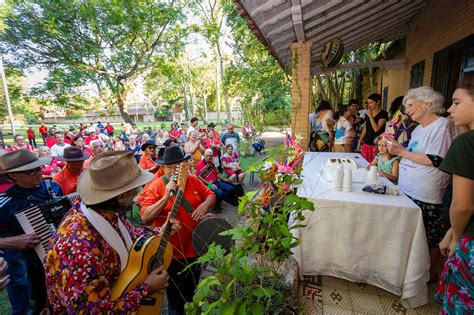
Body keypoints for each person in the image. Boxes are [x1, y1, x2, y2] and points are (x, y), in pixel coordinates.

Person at [45, 151, 179, 313]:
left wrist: (160, 232)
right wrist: (145, 288)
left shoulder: (105, 209)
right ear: (121, 195)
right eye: (134, 189)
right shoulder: (78, 245)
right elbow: (89, 311)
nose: (137, 194)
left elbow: (127, 235)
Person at [139, 145, 215, 314]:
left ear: (184, 165)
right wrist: (166, 196)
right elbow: (145, 217)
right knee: (175, 299)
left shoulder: (193, 179)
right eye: (169, 167)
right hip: (170, 254)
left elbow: (210, 194)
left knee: (193, 291)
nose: (173, 170)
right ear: (162, 167)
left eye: (177, 166)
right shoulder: (156, 186)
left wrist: (204, 205)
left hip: (194, 249)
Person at [387, 86, 451, 281]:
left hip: (426, 193)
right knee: (413, 233)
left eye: (411, 105)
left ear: (427, 103)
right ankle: (413, 268)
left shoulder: (442, 126)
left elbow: (436, 160)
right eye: (406, 106)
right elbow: (413, 154)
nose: (407, 110)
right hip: (408, 189)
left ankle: (428, 274)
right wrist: (398, 150)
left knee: (429, 236)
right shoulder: (418, 130)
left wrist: (401, 152)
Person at [0, 150, 63, 314]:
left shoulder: (53, 187)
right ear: (13, 175)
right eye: (30, 171)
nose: (38, 173)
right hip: (28, 260)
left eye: (39, 168)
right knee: (32, 291)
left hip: (60, 252)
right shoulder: (6, 202)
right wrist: (10, 241)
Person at [435, 77, 474, 314]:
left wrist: (456, 236)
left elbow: (463, 206)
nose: (450, 109)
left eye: (456, 102)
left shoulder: (466, 144)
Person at [357, 93, 389, 162]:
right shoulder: (368, 113)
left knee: (375, 167)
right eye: (368, 103)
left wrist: (370, 116)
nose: (369, 105)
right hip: (366, 143)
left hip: (377, 145)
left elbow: (376, 129)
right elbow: (365, 128)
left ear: (378, 102)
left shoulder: (383, 113)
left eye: (371, 102)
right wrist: (359, 141)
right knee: (364, 164)